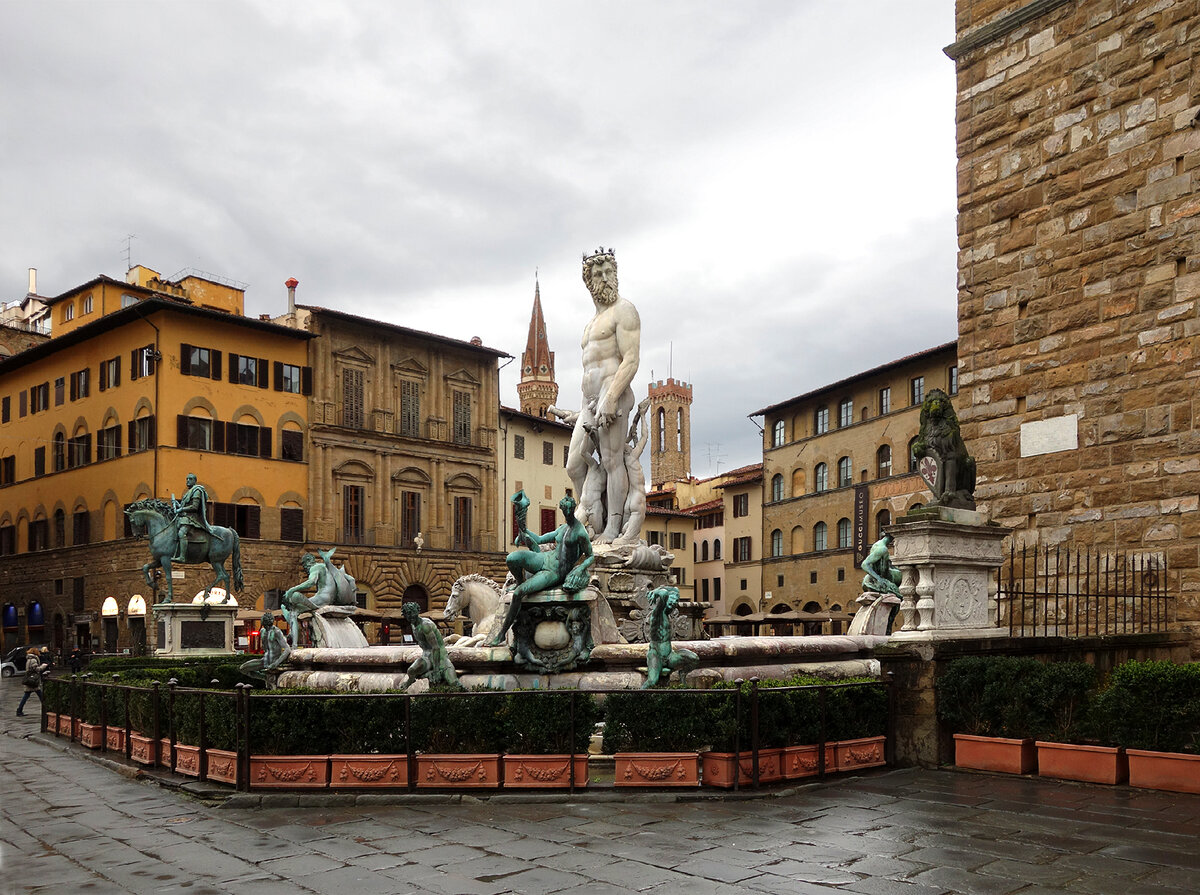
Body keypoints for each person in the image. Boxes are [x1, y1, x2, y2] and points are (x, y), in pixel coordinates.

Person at [565, 248, 642, 543]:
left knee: (611, 461)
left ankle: (613, 528)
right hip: (589, 401)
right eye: (599, 274)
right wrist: (581, 409)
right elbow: (589, 369)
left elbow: (631, 360)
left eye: (610, 272)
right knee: (574, 465)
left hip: (613, 393)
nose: (606, 278)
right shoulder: (590, 324)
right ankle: (592, 518)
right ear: (589, 281)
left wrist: (611, 397)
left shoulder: (624, 310)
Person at [487, 494, 594, 647]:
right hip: (545, 558)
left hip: (555, 571)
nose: (566, 514)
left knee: (518, 594)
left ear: (573, 509)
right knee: (512, 558)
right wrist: (524, 530)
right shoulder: (562, 529)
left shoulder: (580, 532)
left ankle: (502, 634)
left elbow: (590, 556)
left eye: (569, 510)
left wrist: (580, 569)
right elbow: (539, 539)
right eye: (564, 511)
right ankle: (519, 581)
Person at [398, 602, 457, 691]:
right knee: (411, 670)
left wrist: (436, 670)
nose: (410, 616)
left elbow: (436, 647)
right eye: (407, 614)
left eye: (412, 613)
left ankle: (432, 673)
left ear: (417, 612)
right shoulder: (413, 625)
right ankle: (412, 679)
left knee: (453, 682)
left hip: (440, 656)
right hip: (426, 657)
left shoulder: (425, 625)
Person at [238, 612, 292, 687]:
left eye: (263, 619)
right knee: (243, 668)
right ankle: (264, 677)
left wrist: (276, 663)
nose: (261, 621)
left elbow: (287, 649)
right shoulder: (262, 631)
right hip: (264, 661)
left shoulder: (276, 632)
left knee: (272, 687)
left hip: (274, 661)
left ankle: (268, 680)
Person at [171, 473, 213, 562]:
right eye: (187, 479)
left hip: (192, 518)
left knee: (181, 533)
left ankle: (182, 557)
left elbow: (194, 507)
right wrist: (178, 504)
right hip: (185, 517)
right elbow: (185, 505)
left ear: (195, 481)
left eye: (190, 479)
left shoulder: (197, 491)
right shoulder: (188, 492)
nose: (188, 481)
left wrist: (181, 509)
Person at [16, 649, 48, 716]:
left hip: (30, 680)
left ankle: (19, 710)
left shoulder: (29, 659)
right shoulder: (33, 660)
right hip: (33, 681)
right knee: (40, 696)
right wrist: (43, 666)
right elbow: (36, 669)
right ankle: (47, 710)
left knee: (27, 695)